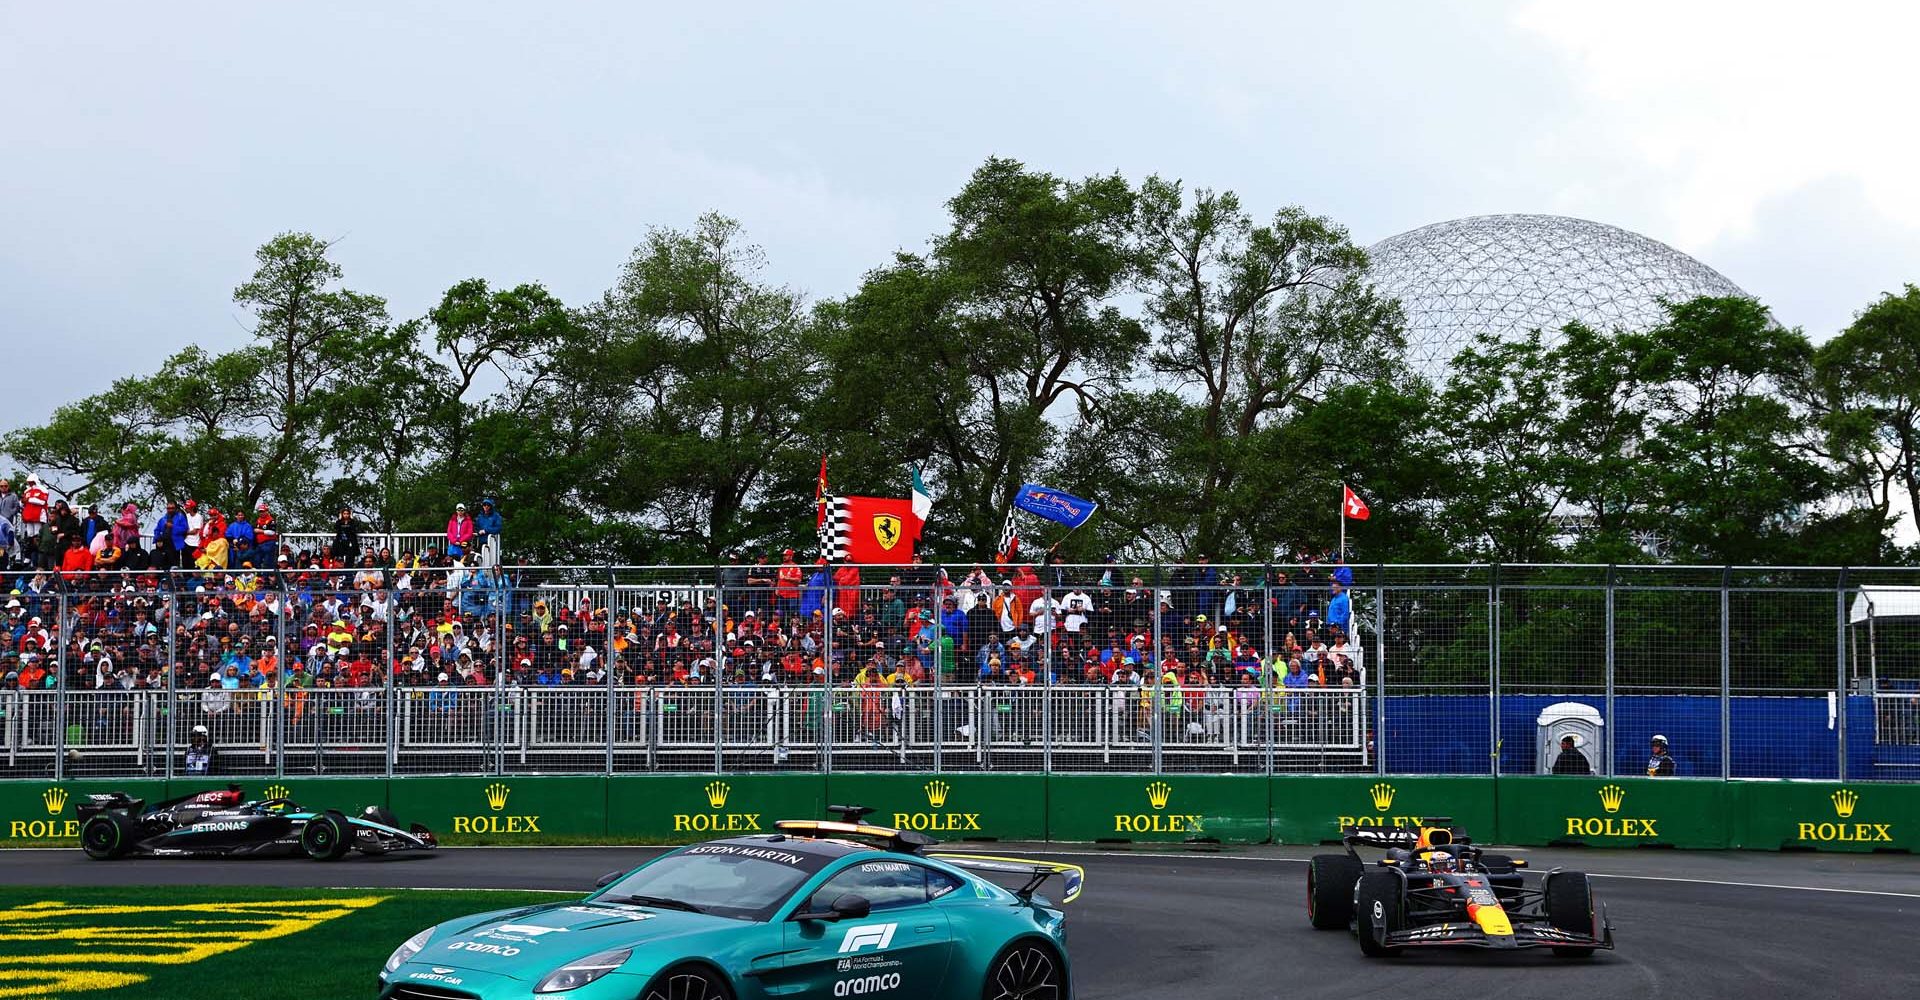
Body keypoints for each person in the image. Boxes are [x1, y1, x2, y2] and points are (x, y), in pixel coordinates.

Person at [472, 498, 504, 566]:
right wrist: (478, 532)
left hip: (493, 543)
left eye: (488, 505)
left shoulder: (496, 516)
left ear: (491, 506)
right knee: (480, 560)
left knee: (493, 561)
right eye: (484, 505)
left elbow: (498, 528)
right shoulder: (480, 517)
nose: (486, 506)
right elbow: (476, 528)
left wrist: (486, 530)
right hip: (481, 542)